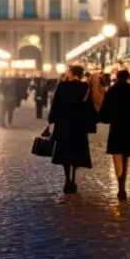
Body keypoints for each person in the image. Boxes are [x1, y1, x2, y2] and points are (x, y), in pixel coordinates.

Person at [47, 65, 98, 194]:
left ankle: (67, 179)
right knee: (77, 152)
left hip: (64, 124)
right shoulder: (85, 87)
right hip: (79, 125)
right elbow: (89, 106)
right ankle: (73, 177)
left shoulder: (62, 86)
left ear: (71, 73)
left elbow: (55, 104)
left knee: (65, 153)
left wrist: (52, 119)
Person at [98, 69, 130, 200]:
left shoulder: (112, 91)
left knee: (116, 154)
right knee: (126, 154)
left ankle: (120, 181)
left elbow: (104, 109)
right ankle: (123, 180)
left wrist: (105, 118)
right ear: (128, 77)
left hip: (116, 125)